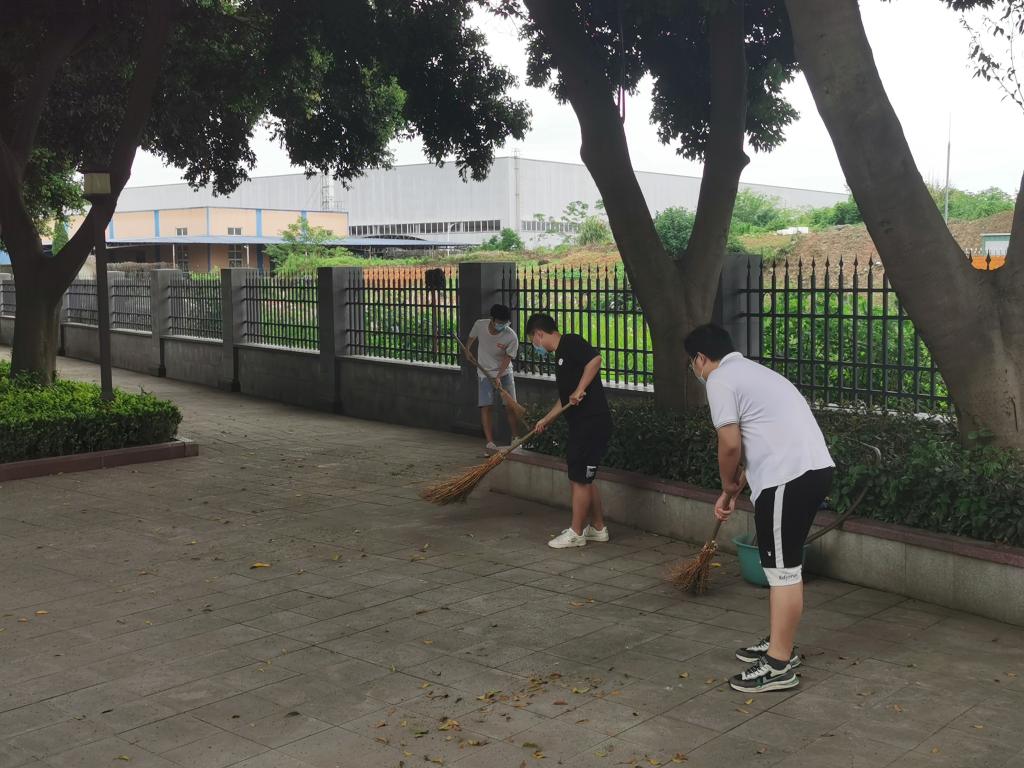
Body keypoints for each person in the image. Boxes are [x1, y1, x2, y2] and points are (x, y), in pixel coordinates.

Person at [684, 323, 834, 694]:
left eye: (692, 362)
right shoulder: (753, 372)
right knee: (782, 567)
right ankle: (780, 642)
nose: (694, 369)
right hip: (807, 471)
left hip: (788, 478)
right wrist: (734, 488)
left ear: (701, 358)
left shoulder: (720, 379)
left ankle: (779, 664)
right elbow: (763, 437)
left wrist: (726, 483)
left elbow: (731, 444)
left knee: (783, 571)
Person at [527, 313, 612, 549]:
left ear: (539, 334)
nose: (536, 346)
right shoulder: (560, 357)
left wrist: (580, 389)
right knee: (582, 477)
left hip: (591, 423)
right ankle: (598, 528)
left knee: (579, 479)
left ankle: (576, 533)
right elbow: (565, 399)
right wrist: (547, 419)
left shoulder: (571, 342)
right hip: (580, 424)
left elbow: (595, 360)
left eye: (533, 341)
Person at [466, 304, 520, 451]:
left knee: (510, 406)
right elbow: (471, 337)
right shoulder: (480, 325)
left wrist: (498, 376)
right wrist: (468, 350)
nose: (502, 325)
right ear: (492, 319)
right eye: (500, 322)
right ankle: (490, 443)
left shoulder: (511, 336)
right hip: (484, 373)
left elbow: (508, 358)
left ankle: (516, 438)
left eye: (505, 323)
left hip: (504, 373)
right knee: (486, 406)